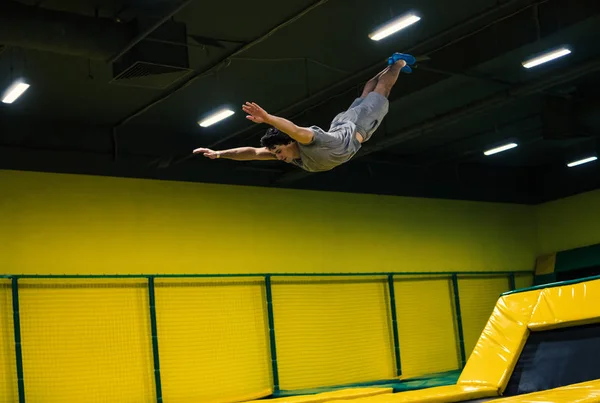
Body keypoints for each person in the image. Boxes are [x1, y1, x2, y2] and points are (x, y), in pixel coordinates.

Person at [193, 53, 414, 172]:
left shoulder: (305, 139)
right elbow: (251, 152)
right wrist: (220, 153)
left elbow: (294, 129)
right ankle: (391, 65)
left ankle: (398, 62)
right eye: (276, 153)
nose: (278, 157)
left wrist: (268, 118)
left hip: (360, 126)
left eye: (279, 151)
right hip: (343, 125)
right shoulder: (290, 154)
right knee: (369, 92)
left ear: (290, 142)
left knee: (382, 90)